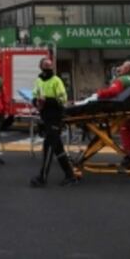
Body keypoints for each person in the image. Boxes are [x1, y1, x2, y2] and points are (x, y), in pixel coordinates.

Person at [31, 58, 78, 187]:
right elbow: (34, 95)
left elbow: (63, 99)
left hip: (55, 116)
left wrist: (47, 100)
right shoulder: (39, 80)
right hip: (45, 116)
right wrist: (36, 102)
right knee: (58, 148)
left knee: (48, 146)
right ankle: (70, 175)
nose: (48, 67)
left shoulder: (57, 80)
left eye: (50, 65)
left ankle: (42, 177)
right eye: (45, 65)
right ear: (40, 66)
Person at [96, 61, 130, 168]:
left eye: (122, 66)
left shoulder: (121, 80)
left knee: (128, 136)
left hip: (126, 113)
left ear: (127, 69)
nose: (119, 68)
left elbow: (113, 92)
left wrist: (99, 93)